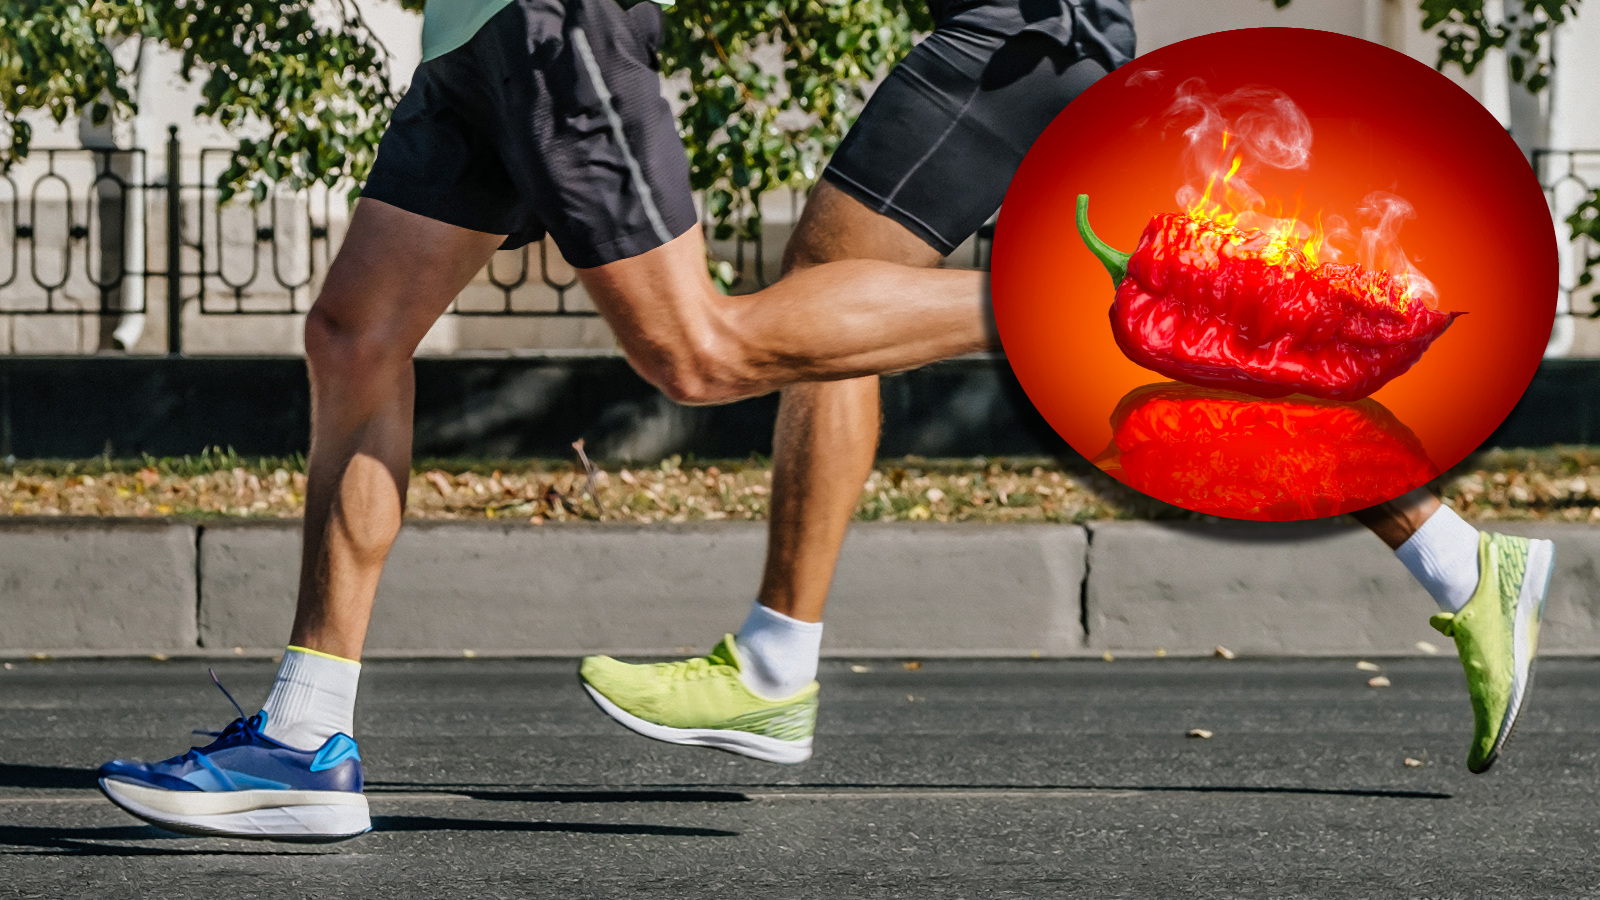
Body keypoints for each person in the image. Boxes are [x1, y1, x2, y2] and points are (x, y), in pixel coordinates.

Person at [91, 0, 1038, 841]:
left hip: (553, 23)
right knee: (352, 334)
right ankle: (303, 739)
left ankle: (1066, 303)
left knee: (696, 352)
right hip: (467, 36)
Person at [573, 8, 1554, 782]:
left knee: (829, 287)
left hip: (1015, 36)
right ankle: (1456, 558)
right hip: (1037, 37)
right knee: (836, 301)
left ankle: (774, 665)